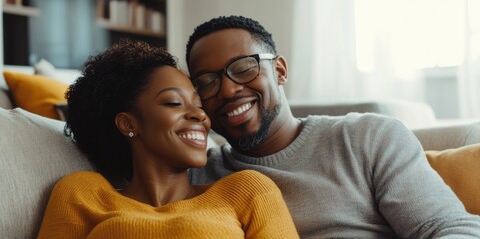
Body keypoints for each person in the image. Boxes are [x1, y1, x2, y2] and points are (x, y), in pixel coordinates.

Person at [186, 15, 480, 238]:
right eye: (206, 82)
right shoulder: (192, 173)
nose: (227, 90)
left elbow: (449, 227)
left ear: (279, 71)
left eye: (243, 68)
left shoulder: (368, 138)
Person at [37, 40, 299, 239]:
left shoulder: (247, 189)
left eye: (199, 105)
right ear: (129, 124)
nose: (200, 116)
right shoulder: (82, 192)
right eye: (174, 102)